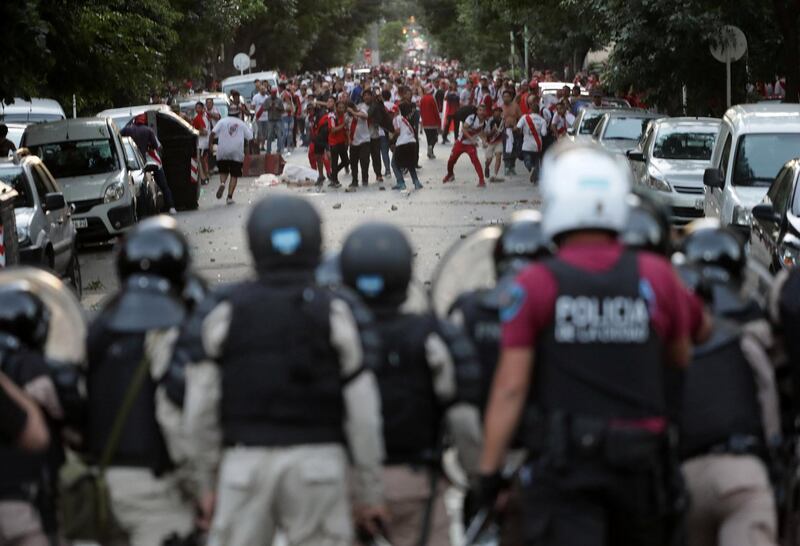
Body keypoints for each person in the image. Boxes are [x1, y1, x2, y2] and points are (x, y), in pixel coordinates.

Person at [475, 142, 693, 546]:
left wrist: (488, 474)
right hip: (642, 466)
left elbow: (510, 388)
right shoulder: (658, 275)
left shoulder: (535, 283)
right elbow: (682, 356)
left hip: (567, 470)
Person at [182, 195, 388, 546]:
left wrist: (204, 484)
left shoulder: (225, 312)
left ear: (253, 242)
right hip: (319, 469)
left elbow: (199, 410)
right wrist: (368, 492)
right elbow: (364, 412)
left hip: (243, 467)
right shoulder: (335, 311)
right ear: (315, 241)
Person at [340, 222, 483, 546]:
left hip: (347, 486)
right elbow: (462, 419)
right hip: (416, 486)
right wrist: (478, 478)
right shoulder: (431, 335)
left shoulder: (331, 336)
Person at [84, 217, 198, 546]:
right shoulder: (172, 331)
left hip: (102, 483)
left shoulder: (101, 326)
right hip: (157, 490)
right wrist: (202, 487)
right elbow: (175, 416)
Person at [677, 223, 779, 546]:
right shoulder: (753, 330)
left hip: (685, 476)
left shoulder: (665, 343)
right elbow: (770, 399)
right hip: (744, 474)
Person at [121, 114, 177, 214]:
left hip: (135, 164)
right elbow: (157, 146)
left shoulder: (126, 130)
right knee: (164, 185)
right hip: (151, 162)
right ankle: (171, 206)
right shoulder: (148, 130)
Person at [211, 105, 253, 204]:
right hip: (237, 152)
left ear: (228, 113)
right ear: (238, 113)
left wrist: (210, 145)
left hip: (222, 151)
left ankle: (222, 183)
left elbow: (212, 133)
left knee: (223, 171)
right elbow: (250, 138)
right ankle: (229, 197)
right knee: (234, 175)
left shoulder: (222, 121)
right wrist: (248, 152)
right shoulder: (241, 123)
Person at [443, 104, 488, 187]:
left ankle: (481, 180)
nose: (481, 112)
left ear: (485, 112)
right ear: (477, 111)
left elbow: (482, 133)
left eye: (483, 111)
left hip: (470, 145)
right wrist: (472, 139)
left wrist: (484, 141)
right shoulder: (471, 118)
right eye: (480, 110)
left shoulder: (485, 122)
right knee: (451, 160)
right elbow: (464, 129)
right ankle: (450, 174)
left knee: (475, 161)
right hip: (460, 143)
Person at [390, 102, 423, 191]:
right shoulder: (403, 119)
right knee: (410, 163)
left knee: (394, 164)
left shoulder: (396, 119)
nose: (391, 115)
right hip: (412, 142)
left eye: (391, 113)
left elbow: (398, 131)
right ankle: (416, 182)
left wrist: (392, 138)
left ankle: (401, 182)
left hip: (402, 143)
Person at [516, 96, 548, 183]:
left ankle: (531, 168)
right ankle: (536, 178)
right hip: (538, 145)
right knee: (537, 161)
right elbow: (544, 133)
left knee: (527, 160)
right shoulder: (542, 120)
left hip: (527, 145)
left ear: (530, 110)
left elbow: (518, 127)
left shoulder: (525, 117)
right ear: (538, 111)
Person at [347, 98, 371, 191]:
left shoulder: (361, 110)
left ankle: (365, 179)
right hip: (354, 143)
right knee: (353, 163)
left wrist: (353, 112)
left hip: (364, 141)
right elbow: (348, 129)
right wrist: (349, 139)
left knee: (364, 161)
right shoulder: (348, 117)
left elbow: (365, 116)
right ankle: (354, 180)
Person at [328, 100, 349, 189]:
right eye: (339, 107)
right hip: (334, 142)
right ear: (336, 108)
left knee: (346, 161)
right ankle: (334, 180)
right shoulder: (332, 116)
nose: (341, 109)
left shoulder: (344, 116)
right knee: (335, 161)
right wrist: (343, 125)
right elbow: (333, 129)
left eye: (342, 108)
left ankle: (333, 175)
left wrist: (347, 140)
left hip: (341, 142)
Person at [500, 90, 522, 177]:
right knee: (506, 149)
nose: (506, 98)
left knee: (514, 149)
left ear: (510, 97)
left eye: (507, 96)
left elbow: (521, 117)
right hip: (505, 130)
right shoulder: (500, 107)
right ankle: (506, 167)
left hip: (514, 130)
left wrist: (518, 127)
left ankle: (512, 167)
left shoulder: (515, 106)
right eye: (504, 96)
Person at [191, 101, 210, 185]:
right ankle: (205, 176)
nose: (197, 109)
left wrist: (194, 132)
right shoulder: (200, 117)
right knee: (202, 160)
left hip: (202, 143)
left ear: (202, 108)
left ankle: (204, 177)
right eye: (196, 107)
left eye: (199, 107)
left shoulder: (199, 118)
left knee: (201, 160)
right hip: (203, 143)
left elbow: (204, 132)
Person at [420, 84, 441, 159]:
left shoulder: (422, 99)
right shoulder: (432, 99)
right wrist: (439, 123)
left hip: (425, 122)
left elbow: (421, 111)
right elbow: (436, 111)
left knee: (429, 138)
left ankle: (430, 152)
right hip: (433, 122)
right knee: (435, 138)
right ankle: (430, 148)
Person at [483, 106, 505, 182]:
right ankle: (487, 167)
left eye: (499, 111)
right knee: (489, 159)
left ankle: (495, 175)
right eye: (496, 111)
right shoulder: (490, 121)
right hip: (490, 142)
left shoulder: (503, 120)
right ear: (493, 112)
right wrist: (493, 131)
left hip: (499, 141)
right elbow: (486, 133)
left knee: (498, 156)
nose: (498, 112)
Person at [252, 85, 269, 151]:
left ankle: (262, 146)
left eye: (264, 89)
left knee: (264, 133)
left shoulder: (267, 98)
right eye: (262, 89)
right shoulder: (256, 97)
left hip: (266, 118)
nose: (263, 90)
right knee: (259, 133)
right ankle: (258, 146)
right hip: (258, 118)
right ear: (259, 90)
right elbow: (253, 106)